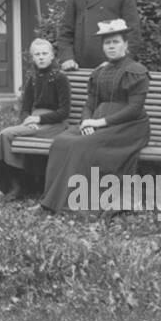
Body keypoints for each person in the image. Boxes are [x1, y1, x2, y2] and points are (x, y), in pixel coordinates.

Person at [40, 18, 151, 213]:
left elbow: (134, 109)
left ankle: (73, 204)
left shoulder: (135, 71)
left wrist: (99, 122)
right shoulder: (99, 72)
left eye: (115, 42)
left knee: (79, 146)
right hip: (99, 122)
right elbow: (90, 103)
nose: (111, 46)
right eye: (107, 43)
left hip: (129, 128)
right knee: (61, 141)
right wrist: (85, 122)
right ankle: (50, 200)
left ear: (125, 44)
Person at [0, 38, 72, 200]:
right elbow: (25, 108)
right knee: (7, 136)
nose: (41, 57)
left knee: (7, 134)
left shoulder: (60, 78)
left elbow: (64, 112)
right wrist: (27, 121)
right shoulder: (33, 79)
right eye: (37, 54)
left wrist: (38, 120)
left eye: (45, 53)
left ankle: (21, 185)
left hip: (55, 124)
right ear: (32, 58)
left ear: (52, 56)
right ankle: (16, 184)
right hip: (34, 123)